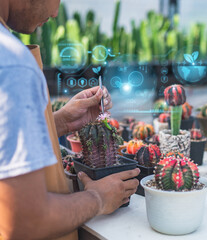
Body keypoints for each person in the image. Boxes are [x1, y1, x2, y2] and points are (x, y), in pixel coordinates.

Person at [0, 0, 140, 239]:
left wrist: (62, 121)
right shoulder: (12, 63)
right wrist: (98, 198)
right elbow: (24, 219)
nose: (55, 12)